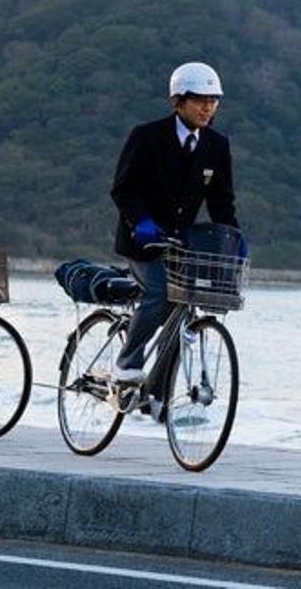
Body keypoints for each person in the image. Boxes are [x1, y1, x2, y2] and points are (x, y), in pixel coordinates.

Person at [109, 62, 243, 397]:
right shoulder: (147, 136)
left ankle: (157, 393)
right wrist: (141, 221)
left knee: (186, 306)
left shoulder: (216, 145)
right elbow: (123, 189)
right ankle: (127, 363)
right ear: (178, 101)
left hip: (183, 244)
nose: (207, 107)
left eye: (213, 100)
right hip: (142, 241)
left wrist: (234, 240)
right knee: (160, 291)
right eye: (199, 100)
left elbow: (221, 202)